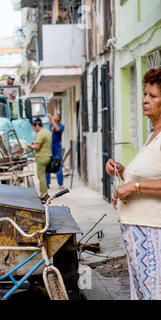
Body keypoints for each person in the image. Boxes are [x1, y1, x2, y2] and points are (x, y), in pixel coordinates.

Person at [105, 67, 161, 300]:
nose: (145, 100)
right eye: (145, 94)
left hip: (152, 231)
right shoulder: (153, 135)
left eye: (153, 96)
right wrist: (122, 171)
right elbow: (147, 178)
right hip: (137, 230)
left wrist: (133, 187)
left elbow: (142, 185)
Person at [27, 118, 52, 197]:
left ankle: (43, 194)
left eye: (34, 128)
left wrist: (30, 146)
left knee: (41, 177)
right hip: (48, 156)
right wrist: (35, 143)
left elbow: (37, 147)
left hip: (41, 157)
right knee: (43, 175)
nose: (34, 130)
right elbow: (45, 143)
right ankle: (45, 193)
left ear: (37, 125)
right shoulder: (47, 132)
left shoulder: (40, 133)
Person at [46, 113, 65, 189]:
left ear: (59, 118)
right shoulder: (50, 126)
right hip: (50, 148)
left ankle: (60, 184)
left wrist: (51, 119)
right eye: (53, 116)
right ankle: (47, 183)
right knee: (48, 166)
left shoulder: (61, 126)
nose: (54, 117)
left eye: (55, 116)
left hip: (57, 148)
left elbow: (57, 129)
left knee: (58, 166)